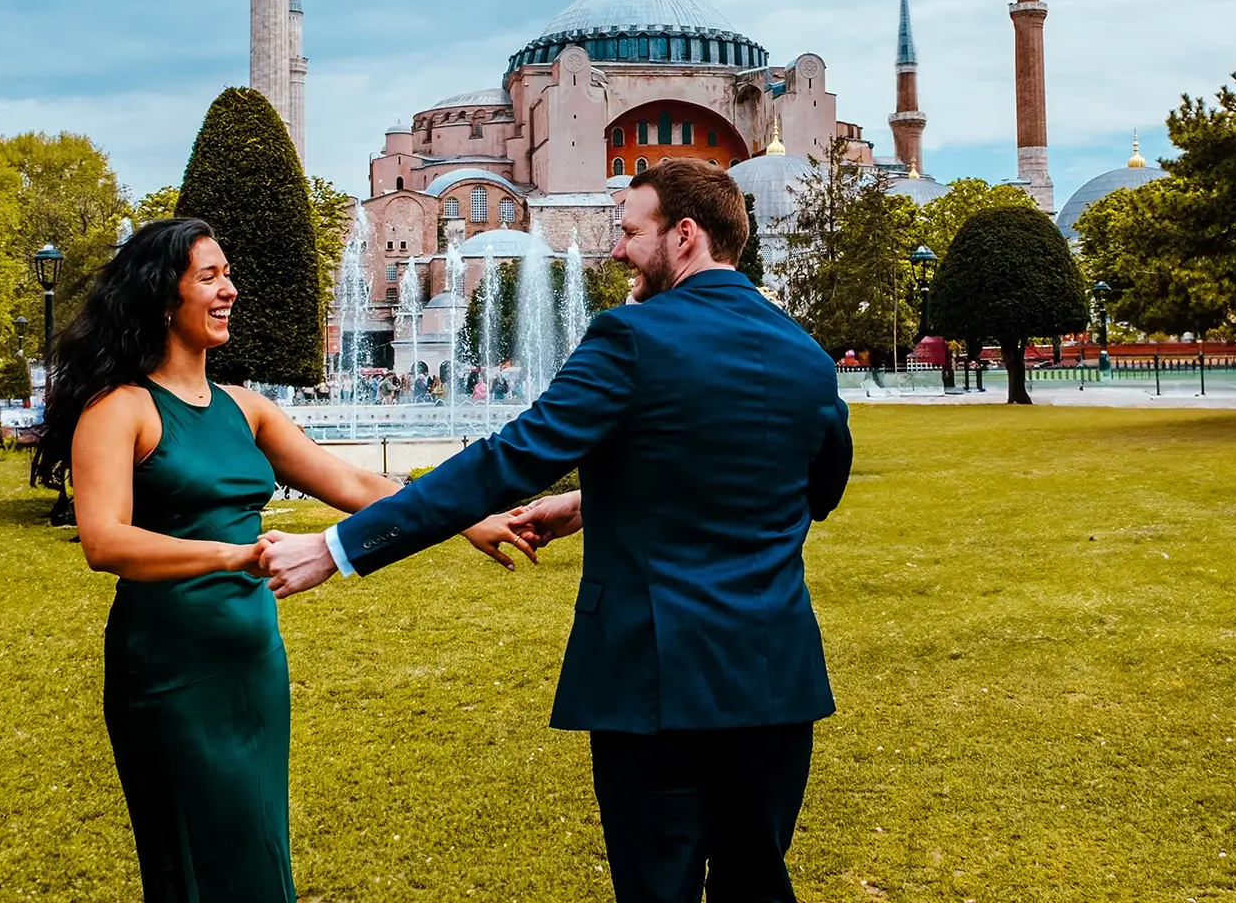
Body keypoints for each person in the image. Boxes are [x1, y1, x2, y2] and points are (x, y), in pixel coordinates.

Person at [258, 160, 853, 902]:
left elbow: (506, 460)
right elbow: (809, 490)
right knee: (757, 883)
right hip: (775, 683)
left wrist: (338, 546)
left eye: (631, 232)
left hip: (654, 686)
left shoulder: (631, 338)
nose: (614, 251)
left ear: (687, 236)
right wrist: (589, 506)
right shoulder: (804, 355)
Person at [32, 217, 531, 903]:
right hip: (169, 671)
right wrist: (236, 555)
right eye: (208, 277)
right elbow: (105, 541)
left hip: (252, 661)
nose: (230, 289)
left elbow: (354, 485)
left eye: (227, 274)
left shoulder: (247, 408)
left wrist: (463, 517)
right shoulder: (119, 411)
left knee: (256, 843)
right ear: (160, 298)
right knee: (196, 856)